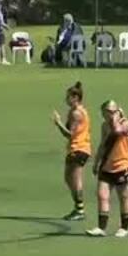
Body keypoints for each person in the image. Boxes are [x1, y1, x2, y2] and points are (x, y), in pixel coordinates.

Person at [89, 100, 128, 238]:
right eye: (106, 112)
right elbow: (103, 145)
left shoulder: (125, 123)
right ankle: (101, 227)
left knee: (124, 197)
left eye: (111, 111)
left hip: (122, 166)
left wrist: (116, 117)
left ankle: (124, 228)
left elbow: (117, 131)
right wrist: (96, 162)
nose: (108, 115)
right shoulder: (104, 126)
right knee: (102, 195)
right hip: (107, 166)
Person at [50, 82, 91, 223]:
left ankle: (80, 209)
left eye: (68, 97)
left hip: (78, 148)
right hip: (80, 148)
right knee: (68, 178)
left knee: (74, 179)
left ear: (75, 97)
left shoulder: (76, 113)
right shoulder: (77, 111)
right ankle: (78, 207)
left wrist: (58, 123)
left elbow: (69, 134)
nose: (66, 99)